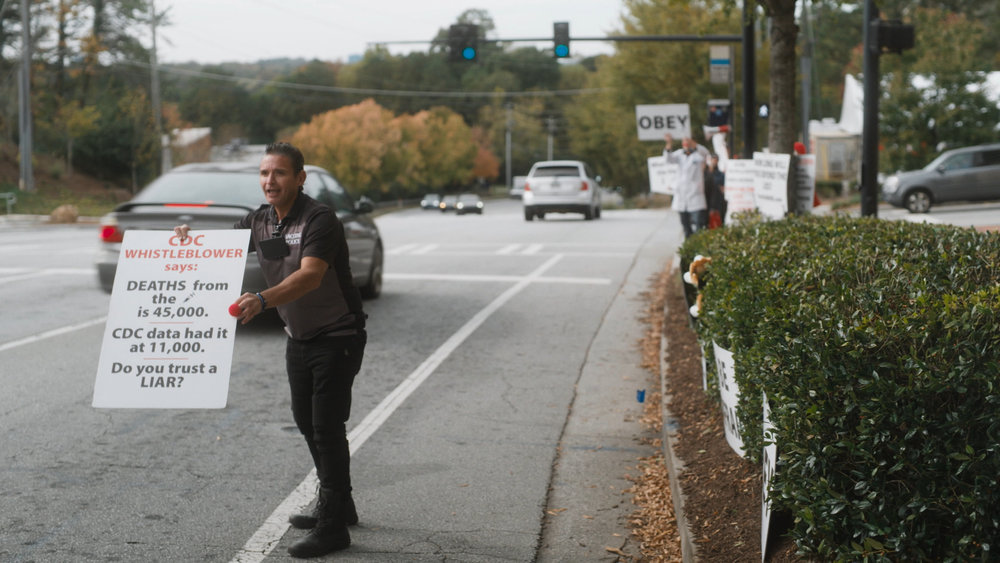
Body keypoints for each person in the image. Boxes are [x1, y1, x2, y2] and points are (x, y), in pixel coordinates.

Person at [174, 142, 366, 558]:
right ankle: (340, 503)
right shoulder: (260, 220)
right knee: (305, 420)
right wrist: (189, 241)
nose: (270, 181)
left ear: (299, 178)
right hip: (299, 336)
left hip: (338, 334)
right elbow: (219, 250)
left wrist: (261, 299)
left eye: (279, 173)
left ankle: (333, 526)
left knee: (326, 426)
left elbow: (310, 277)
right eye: (264, 173)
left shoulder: (320, 220)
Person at [663, 133, 709, 238]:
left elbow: (706, 154)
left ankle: (697, 245)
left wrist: (693, 143)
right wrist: (669, 143)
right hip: (681, 195)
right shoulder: (679, 154)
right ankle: (688, 244)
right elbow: (668, 158)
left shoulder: (698, 154)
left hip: (695, 194)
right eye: (684, 141)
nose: (686, 143)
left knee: (698, 224)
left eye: (688, 140)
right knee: (685, 224)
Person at [705, 153, 727, 227]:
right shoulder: (705, 174)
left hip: (718, 204)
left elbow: (723, 188)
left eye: (716, 160)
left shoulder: (721, 175)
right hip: (707, 204)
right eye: (713, 160)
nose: (714, 162)